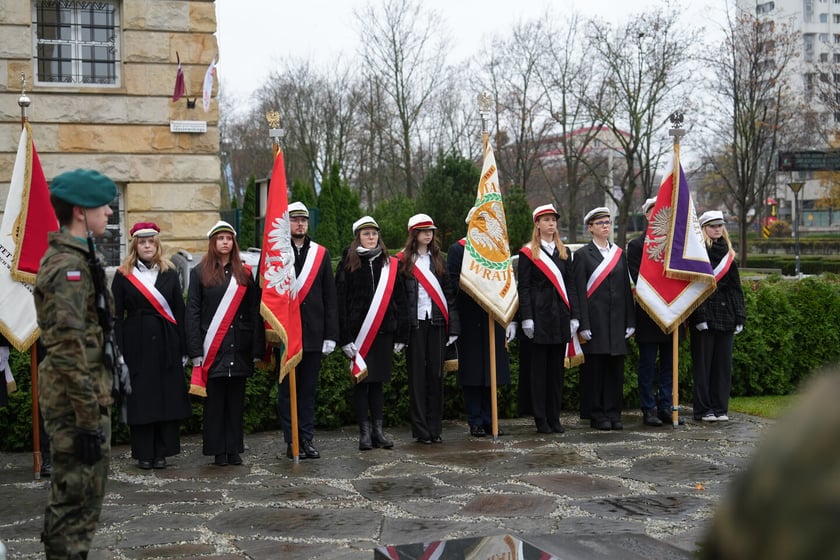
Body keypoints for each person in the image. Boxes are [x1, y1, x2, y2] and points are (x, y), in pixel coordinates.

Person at [34, 168, 116, 559]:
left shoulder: (79, 258)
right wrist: (87, 419)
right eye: (104, 206)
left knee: (81, 501)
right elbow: (67, 347)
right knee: (75, 505)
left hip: (80, 400)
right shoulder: (68, 267)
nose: (110, 214)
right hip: (75, 406)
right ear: (81, 211)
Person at [112, 222, 191, 469]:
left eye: (151, 241)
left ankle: (162, 452)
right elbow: (116, 315)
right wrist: (119, 351)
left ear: (157, 245)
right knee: (142, 398)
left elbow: (180, 310)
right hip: (136, 344)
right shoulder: (123, 274)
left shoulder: (168, 272)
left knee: (166, 397)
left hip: (167, 342)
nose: (147, 245)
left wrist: (185, 348)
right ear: (135, 245)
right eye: (142, 242)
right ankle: (144, 453)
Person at [185, 220, 265, 466]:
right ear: (213, 243)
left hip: (238, 346)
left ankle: (234, 448)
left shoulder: (245, 272)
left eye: (229, 238)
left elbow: (254, 310)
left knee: (236, 401)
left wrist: (256, 347)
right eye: (220, 238)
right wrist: (196, 350)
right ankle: (218, 450)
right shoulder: (199, 272)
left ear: (234, 242)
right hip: (213, 347)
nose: (225, 242)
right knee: (215, 402)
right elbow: (193, 312)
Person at [335, 216, 409, 451]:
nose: (371, 237)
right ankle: (364, 433)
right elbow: (340, 303)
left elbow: (401, 299)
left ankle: (378, 432)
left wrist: (401, 335)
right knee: (362, 383)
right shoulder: (348, 263)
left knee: (378, 384)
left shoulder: (389, 264)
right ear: (358, 236)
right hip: (358, 336)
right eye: (366, 234)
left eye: (374, 233)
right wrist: (344, 338)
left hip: (384, 332)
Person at [446, 215, 517, 438]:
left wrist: (510, 316)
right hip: (469, 319)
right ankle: (475, 420)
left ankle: (490, 419)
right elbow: (453, 284)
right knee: (473, 374)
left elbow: (507, 280)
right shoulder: (458, 250)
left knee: (491, 373)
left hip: (493, 317)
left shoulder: (497, 249)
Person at [277, 202, 338, 459]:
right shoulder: (277, 253)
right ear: (287, 223)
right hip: (287, 335)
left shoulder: (320, 254)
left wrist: (331, 335)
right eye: (294, 219)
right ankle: (292, 441)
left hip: (313, 334)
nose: (300, 223)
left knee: (308, 392)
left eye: (303, 219)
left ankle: (307, 439)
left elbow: (330, 296)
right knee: (286, 394)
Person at [517, 204, 579, 434]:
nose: (551, 223)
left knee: (556, 373)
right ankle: (540, 418)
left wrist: (575, 316)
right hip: (539, 319)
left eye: (553, 219)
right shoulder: (528, 253)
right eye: (546, 219)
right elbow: (523, 288)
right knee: (539, 373)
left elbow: (571, 285)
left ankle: (555, 417)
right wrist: (527, 318)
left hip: (560, 318)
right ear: (537, 224)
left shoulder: (564, 252)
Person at [398, 213, 460, 444]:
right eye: (423, 230)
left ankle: (435, 428)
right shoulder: (402, 261)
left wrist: (453, 327)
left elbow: (450, 296)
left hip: (436, 323)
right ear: (414, 233)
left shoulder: (439, 260)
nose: (428, 234)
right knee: (416, 378)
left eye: (431, 230)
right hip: (414, 326)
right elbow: (400, 299)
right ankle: (421, 429)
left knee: (436, 375)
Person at [573, 207, 635, 430]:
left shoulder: (619, 254)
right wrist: (582, 323)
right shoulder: (581, 255)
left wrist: (630, 320)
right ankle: (597, 413)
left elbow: (625, 290)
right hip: (595, 323)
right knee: (595, 372)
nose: (605, 226)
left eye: (608, 222)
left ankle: (613, 412)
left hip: (617, 323)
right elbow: (579, 291)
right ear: (590, 228)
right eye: (600, 223)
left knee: (614, 371)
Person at [626, 197, 682, 427]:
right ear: (648, 215)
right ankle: (648, 408)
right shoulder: (637, 245)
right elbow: (639, 278)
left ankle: (666, 406)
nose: (657, 215)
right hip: (649, 313)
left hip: (672, 311)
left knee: (669, 364)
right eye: (653, 211)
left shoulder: (676, 246)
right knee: (648, 365)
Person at [690, 210, 745, 422]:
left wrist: (740, 316)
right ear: (704, 228)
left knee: (722, 366)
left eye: (720, 225)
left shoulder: (728, 254)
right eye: (713, 226)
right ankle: (704, 410)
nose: (717, 229)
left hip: (726, 315)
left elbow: (735, 289)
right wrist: (699, 316)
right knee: (703, 367)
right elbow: (696, 288)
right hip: (704, 315)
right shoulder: (697, 252)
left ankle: (720, 408)